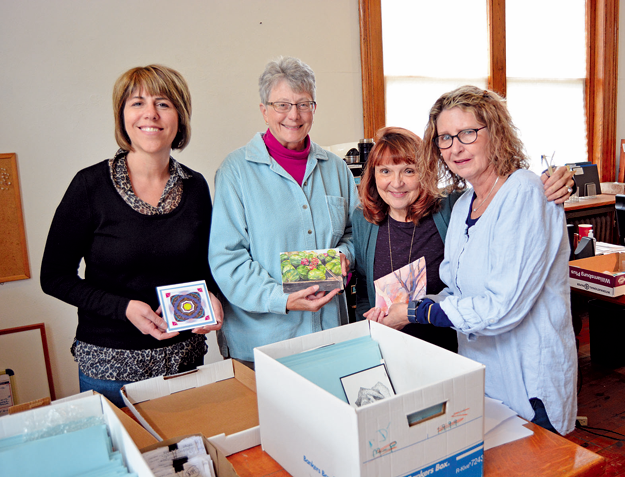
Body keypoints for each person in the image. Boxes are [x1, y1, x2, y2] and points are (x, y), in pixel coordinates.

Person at [368, 86, 577, 435]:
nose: (456, 147)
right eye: (445, 138)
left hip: (529, 380)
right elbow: (457, 290)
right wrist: (407, 307)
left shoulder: (524, 192)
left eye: (467, 132)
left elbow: (502, 307)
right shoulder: (465, 204)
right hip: (483, 375)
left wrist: (413, 312)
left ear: (494, 132)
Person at [41, 65, 223, 407]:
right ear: (122, 116)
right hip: (110, 372)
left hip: (183, 365)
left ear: (179, 117)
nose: (150, 114)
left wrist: (213, 296)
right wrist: (123, 308)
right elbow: (54, 277)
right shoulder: (89, 185)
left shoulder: (195, 186)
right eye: (137, 103)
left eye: (163, 104)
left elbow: (204, 266)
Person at [356, 127, 575, 353]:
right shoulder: (364, 221)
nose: (397, 182)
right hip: (390, 347)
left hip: (450, 347)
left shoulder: (452, 208)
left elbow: (502, 192)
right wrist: (369, 323)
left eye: (409, 171)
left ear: (425, 173)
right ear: (373, 175)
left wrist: (558, 181)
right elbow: (364, 287)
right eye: (385, 171)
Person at [209, 56, 359, 367]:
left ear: (314, 109)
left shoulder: (336, 169)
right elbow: (228, 259)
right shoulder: (235, 172)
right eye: (282, 105)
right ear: (264, 110)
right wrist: (283, 300)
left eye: (304, 104)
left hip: (329, 335)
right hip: (262, 345)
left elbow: (353, 232)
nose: (294, 115)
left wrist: (346, 256)